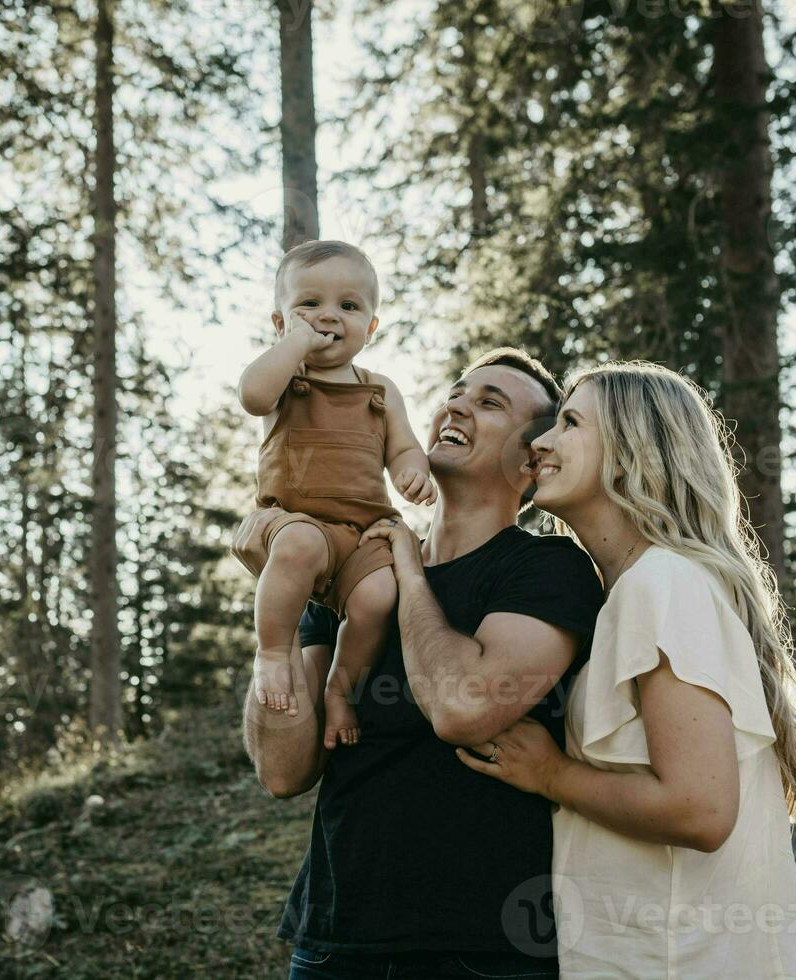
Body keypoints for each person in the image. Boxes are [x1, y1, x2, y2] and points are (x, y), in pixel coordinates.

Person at [456, 361, 796, 978]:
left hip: (679, 961)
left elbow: (700, 810)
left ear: (634, 455)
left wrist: (550, 774)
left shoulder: (664, 585)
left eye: (570, 423)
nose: (540, 442)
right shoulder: (636, 590)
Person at [241, 347, 604, 979]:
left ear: (529, 460)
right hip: (336, 943)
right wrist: (280, 598)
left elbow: (467, 705)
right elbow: (283, 769)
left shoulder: (548, 567)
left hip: (484, 948)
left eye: (490, 402)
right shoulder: (352, 565)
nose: (456, 404)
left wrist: (410, 574)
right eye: (458, 391)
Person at [233, 240, 436, 750]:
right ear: (279, 323)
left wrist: (414, 471)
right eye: (309, 305)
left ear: (370, 327)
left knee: (378, 597)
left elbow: (404, 447)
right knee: (299, 546)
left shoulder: (380, 390)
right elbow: (252, 394)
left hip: (361, 532)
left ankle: (341, 688)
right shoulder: (287, 378)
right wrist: (293, 347)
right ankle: (274, 654)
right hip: (294, 521)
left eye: (348, 306)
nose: (328, 316)